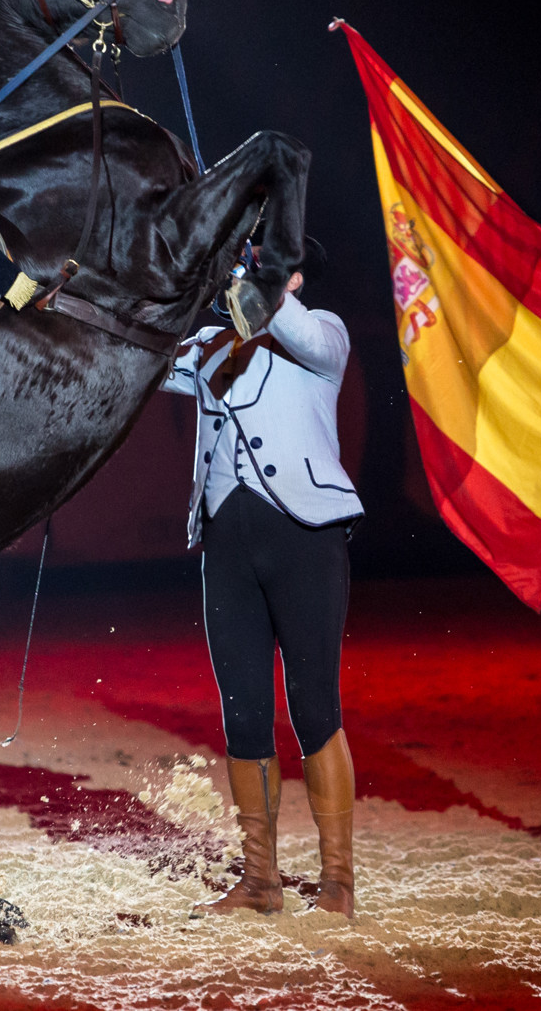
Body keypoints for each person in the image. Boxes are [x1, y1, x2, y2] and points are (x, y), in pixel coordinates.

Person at [162, 269, 364, 918]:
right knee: (243, 711)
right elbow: (139, 358)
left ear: (296, 275)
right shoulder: (207, 347)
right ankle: (260, 880)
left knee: (315, 708)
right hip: (226, 548)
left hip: (306, 539)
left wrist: (256, 279)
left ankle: (338, 884)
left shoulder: (322, 332)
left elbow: (293, 326)